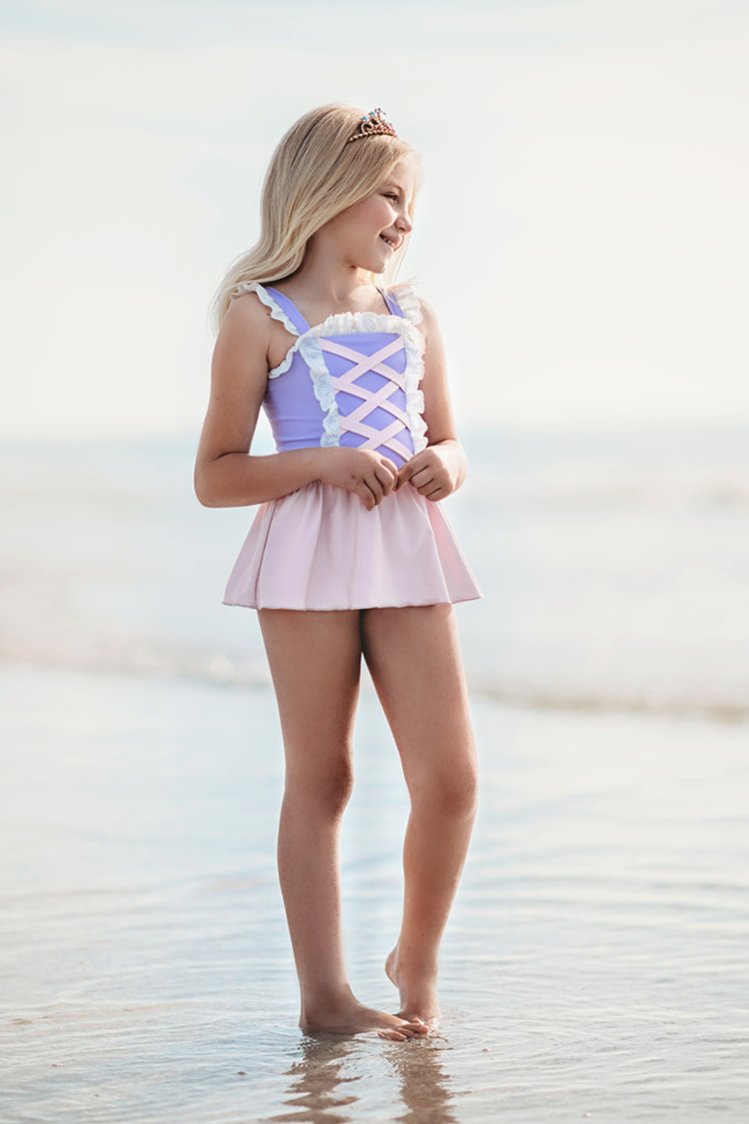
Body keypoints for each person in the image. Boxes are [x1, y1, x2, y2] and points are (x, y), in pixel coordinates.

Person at [194, 104, 483, 1042]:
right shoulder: (258, 315)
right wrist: (318, 461)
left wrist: (448, 465)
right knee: (322, 779)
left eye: (411, 201)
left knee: (451, 778)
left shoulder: (412, 316)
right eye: (389, 196)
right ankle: (325, 999)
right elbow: (215, 477)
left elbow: (449, 436)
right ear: (325, 191)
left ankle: (416, 962)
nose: (405, 218)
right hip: (306, 555)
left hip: (405, 543)